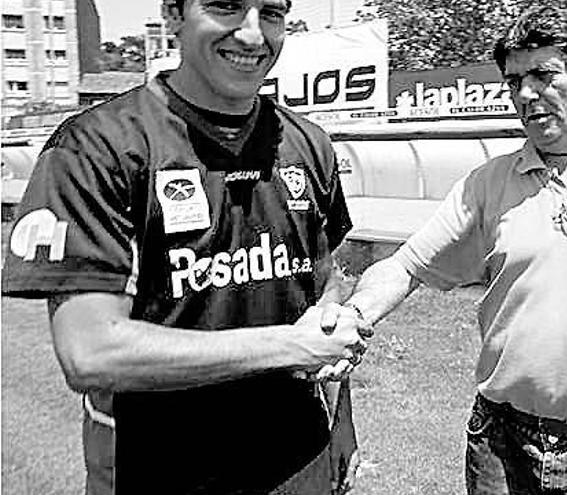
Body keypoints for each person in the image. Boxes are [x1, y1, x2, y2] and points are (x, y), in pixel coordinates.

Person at [329, 6, 567, 494]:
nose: (526, 94)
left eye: (543, 75)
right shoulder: (488, 184)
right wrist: (354, 315)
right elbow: (406, 266)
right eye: (514, 81)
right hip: (500, 445)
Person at [1, 0, 369, 493]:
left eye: (271, 12)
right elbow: (90, 351)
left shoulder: (309, 143)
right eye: (226, 6)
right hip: (157, 473)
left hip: (301, 464)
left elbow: (325, 288)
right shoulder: (97, 146)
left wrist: (341, 411)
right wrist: (290, 346)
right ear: (173, 15)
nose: (253, 34)